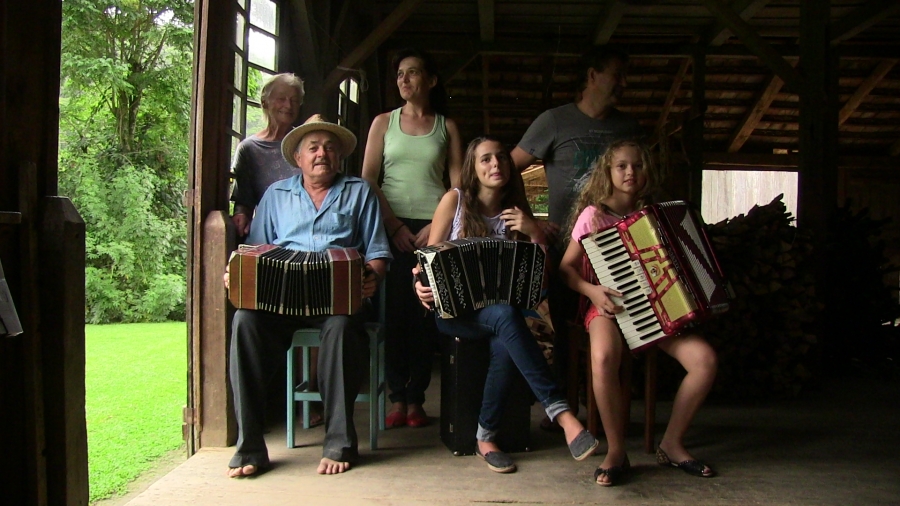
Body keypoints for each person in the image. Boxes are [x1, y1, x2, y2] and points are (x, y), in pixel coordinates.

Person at [413, 137, 598, 474]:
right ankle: (562, 413)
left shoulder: (518, 212)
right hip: (454, 313)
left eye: (501, 158)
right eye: (485, 159)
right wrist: (419, 285)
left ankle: (485, 437)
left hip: (503, 316)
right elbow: (427, 260)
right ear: (473, 168)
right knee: (505, 316)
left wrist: (536, 233)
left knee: (504, 325)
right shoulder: (453, 201)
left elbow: (540, 282)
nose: (496, 164)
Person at [226, 115, 392, 477]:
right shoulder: (275, 195)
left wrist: (371, 279)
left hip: (339, 297)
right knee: (244, 322)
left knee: (342, 326)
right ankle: (250, 446)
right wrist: (237, 273)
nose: (322, 154)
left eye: (330, 148)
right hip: (281, 298)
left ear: (340, 157)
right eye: (313, 148)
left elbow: (378, 252)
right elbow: (256, 249)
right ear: (298, 158)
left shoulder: (359, 191)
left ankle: (339, 440)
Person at [558, 139, 718, 486]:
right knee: (602, 358)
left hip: (657, 309)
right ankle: (617, 451)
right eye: (622, 166)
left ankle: (672, 443)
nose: (630, 172)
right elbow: (566, 269)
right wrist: (592, 291)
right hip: (608, 307)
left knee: (704, 360)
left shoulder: (659, 215)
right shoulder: (593, 215)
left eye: (638, 165)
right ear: (608, 172)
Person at [509, 46, 643, 430]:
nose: (623, 84)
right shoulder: (554, 122)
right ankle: (565, 411)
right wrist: (532, 220)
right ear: (591, 76)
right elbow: (508, 167)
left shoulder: (627, 127)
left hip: (616, 253)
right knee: (563, 335)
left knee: (616, 327)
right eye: (616, 74)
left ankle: (607, 411)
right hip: (563, 250)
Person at [362, 48, 463, 429]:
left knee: (425, 315)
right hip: (390, 228)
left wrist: (436, 227)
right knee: (393, 313)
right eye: (400, 74)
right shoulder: (382, 123)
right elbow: (369, 179)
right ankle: (397, 398)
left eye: (413, 73)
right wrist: (395, 227)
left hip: (434, 227)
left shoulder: (446, 126)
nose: (404, 80)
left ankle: (417, 399)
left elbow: (457, 185)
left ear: (431, 80)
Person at [230, 73, 305, 237]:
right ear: (265, 102)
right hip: (268, 232)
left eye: (294, 100)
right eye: (282, 98)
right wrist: (241, 215)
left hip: (306, 229)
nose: (289, 105)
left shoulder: (305, 144)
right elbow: (244, 199)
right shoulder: (249, 149)